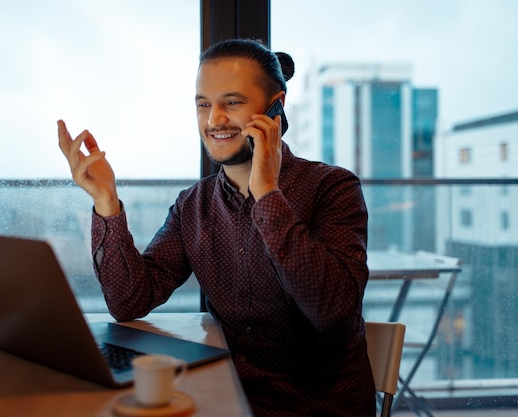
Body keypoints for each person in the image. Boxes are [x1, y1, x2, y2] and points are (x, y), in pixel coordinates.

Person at [58, 38, 375, 417]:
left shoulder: (332, 188)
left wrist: (267, 194)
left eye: (233, 102)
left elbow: (332, 311)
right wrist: (106, 201)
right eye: (203, 105)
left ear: (276, 107)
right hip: (222, 400)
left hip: (318, 408)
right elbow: (129, 302)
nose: (214, 120)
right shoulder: (194, 204)